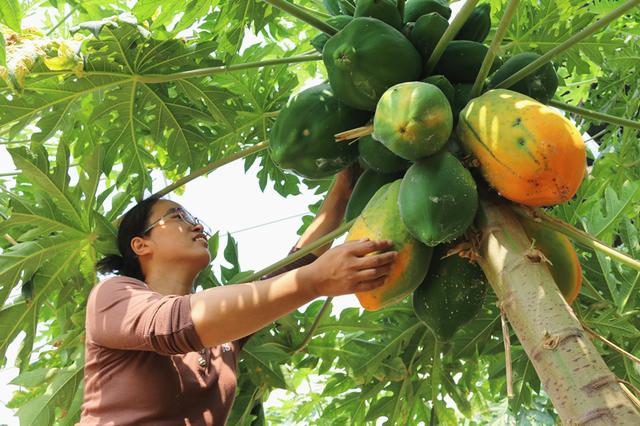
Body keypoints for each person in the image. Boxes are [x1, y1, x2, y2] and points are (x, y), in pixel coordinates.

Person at [78, 169, 397, 425]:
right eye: (178, 217)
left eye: (195, 219)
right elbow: (172, 326)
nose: (197, 227)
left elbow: (294, 268)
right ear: (140, 245)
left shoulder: (221, 340)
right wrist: (313, 283)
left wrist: (345, 182)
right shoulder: (112, 295)